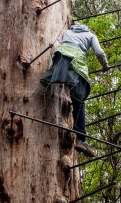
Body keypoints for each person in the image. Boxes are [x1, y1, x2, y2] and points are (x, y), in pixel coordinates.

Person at [41, 23, 110, 157]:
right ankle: (81, 139)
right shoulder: (90, 35)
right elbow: (99, 52)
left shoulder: (68, 32)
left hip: (59, 60)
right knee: (80, 100)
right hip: (75, 62)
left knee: (74, 95)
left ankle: (78, 135)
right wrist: (105, 66)